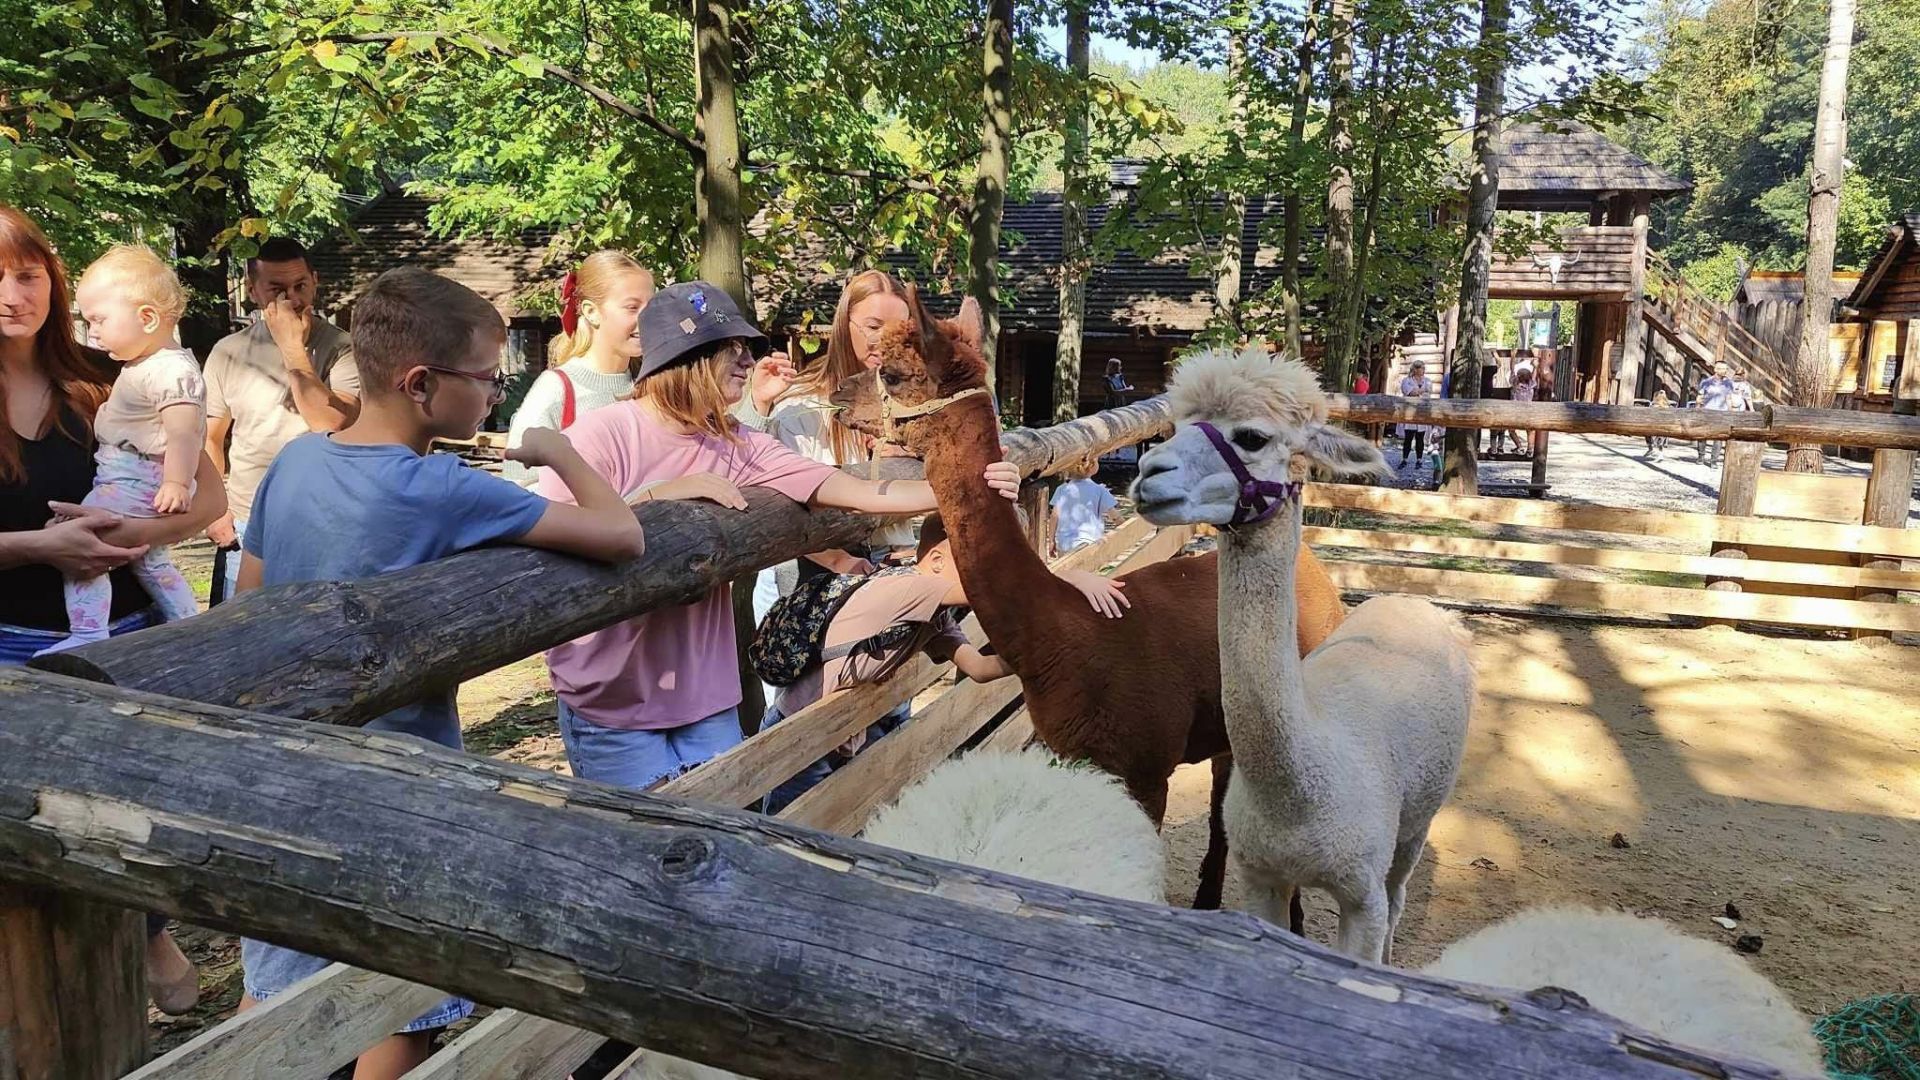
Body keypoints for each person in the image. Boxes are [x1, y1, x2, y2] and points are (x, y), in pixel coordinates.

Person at [231, 267, 645, 1079]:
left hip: (279, 766)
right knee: (402, 1004)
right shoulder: (441, 487)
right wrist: (555, 448)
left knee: (278, 988)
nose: (496, 395)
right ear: (422, 385)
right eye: (489, 379)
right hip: (400, 782)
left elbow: (246, 606)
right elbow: (622, 533)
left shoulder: (297, 464)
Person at [535, 280, 1020, 792]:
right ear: (685, 357)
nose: (747, 362)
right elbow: (551, 537)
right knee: (639, 847)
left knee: (717, 844)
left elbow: (863, 492)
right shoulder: (599, 436)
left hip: (705, 697)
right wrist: (657, 498)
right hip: (613, 700)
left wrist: (970, 485)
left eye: (746, 348)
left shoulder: (737, 443)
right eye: (730, 350)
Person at [0, 204, 225, 1015]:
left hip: (129, 634)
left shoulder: (108, 376)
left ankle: (144, 930)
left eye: (27, 274)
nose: (12, 292)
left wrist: (141, 530)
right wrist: (37, 549)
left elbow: (208, 496)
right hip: (12, 646)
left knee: (132, 807)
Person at [759, 512, 1127, 813]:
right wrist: (1071, 579)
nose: (991, 573)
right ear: (936, 561)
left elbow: (980, 669)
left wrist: (1045, 657)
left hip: (843, 733)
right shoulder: (906, 588)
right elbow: (996, 594)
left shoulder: (932, 615)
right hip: (800, 738)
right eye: (982, 562)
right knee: (788, 835)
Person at [38, 246, 205, 653]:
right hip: (134, 476)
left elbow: (184, 431)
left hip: (136, 479)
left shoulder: (169, 369)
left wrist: (177, 482)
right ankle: (188, 625)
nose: (92, 331)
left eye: (99, 320)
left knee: (84, 542)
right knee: (153, 562)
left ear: (146, 317)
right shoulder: (145, 364)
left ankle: (89, 631)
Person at [202, 237, 361, 603]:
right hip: (244, 520)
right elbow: (210, 438)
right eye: (277, 289)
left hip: (322, 521)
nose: (291, 299)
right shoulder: (228, 353)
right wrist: (216, 510)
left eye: (300, 286)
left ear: (315, 281)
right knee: (239, 632)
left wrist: (293, 349)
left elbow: (332, 425)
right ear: (254, 291)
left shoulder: (343, 349)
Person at [500, 250, 654, 487]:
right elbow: (520, 485)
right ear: (591, 312)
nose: (647, 318)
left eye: (651, 307)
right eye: (632, 308)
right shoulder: (556, 390)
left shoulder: (650, 385)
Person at [1049, 458, 1116, 556]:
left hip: (1065, 544)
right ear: (1092, 466)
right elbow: (1115, 516)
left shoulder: (1062, 489)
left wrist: (1051, 540)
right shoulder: (1100, 490)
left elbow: (1054, 515)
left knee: (1066, 571)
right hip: (1091, 543)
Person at [1695, 361, 1739, 465]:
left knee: (1718, 438)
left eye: (1726, 369)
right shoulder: (1706, 382)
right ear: (1716, 370)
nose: (1725, 371)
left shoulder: (1729, 383)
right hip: (1707, 412)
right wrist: (1697, 408)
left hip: (1721, 413)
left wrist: (1731, 412)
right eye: (1722, 369)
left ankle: (1713, 460)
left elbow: (1728, 398)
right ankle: (1701, 457)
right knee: (1702, 435)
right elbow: (1699, 397)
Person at [1490, 363, 1535, 456]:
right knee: (1530, 430)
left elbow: (1512, 370)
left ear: (1518, 377)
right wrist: (1536, 367)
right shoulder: (1531, 385)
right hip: (1528, 412)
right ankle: (1530, 449)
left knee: (1511, 430)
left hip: (1515, 412)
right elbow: (1535, 374)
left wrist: (1513, 357)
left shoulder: (1515, 384)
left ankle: (1519, 446)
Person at [1398, 361, 1432, 468]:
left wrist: (1418, 391)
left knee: (1420, 438)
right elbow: (1409, 392)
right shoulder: (1406, 381)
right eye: (1421, 368)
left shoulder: (1427, 381)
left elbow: (1429, 391)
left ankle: (1419, 459)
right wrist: (1422, 391)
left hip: (1422, 412)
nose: (1423, 370)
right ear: (1416, 369)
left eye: (1423, 368)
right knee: (1408, 437)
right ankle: (1404, 459)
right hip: (1410, 412)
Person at [1645, 389, 1673, 460]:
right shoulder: (1657, 405)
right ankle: (1655, 450)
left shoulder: (1664, 406)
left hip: (1661, 425)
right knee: (1651, 434)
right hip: (1658, 425)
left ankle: (1654, 450)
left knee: (1658, 436)